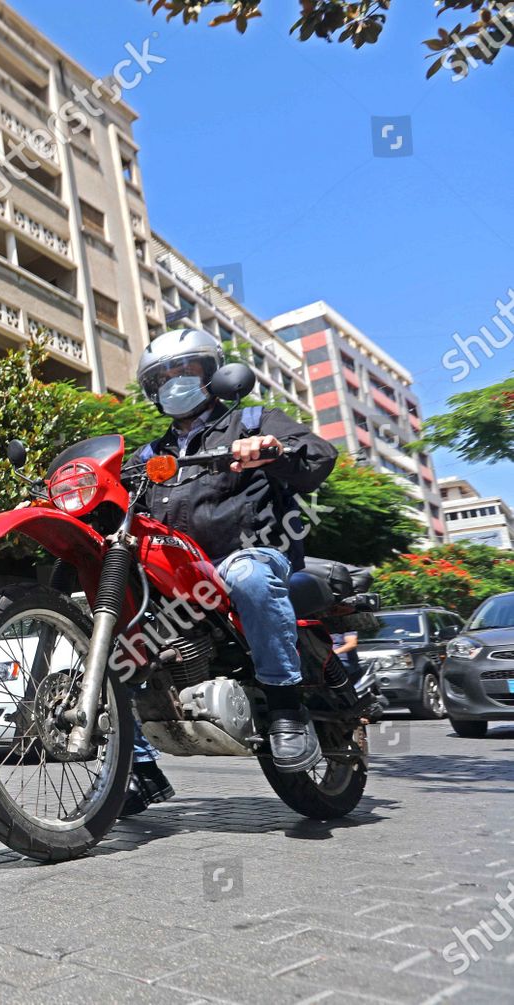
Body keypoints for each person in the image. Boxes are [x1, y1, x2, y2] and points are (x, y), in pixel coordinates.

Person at [124, 328, 338, 804]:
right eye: (163, 377)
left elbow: (320, 456)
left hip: (247, 553)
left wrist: (272, 449)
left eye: (187, 371)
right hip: (179, 573)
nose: (175, 383)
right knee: (121, 618)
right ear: (152, 390)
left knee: (247, 574)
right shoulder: (149, 456)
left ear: (213, 375)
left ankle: (285, 709)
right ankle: (136, 767)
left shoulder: (253, 421)